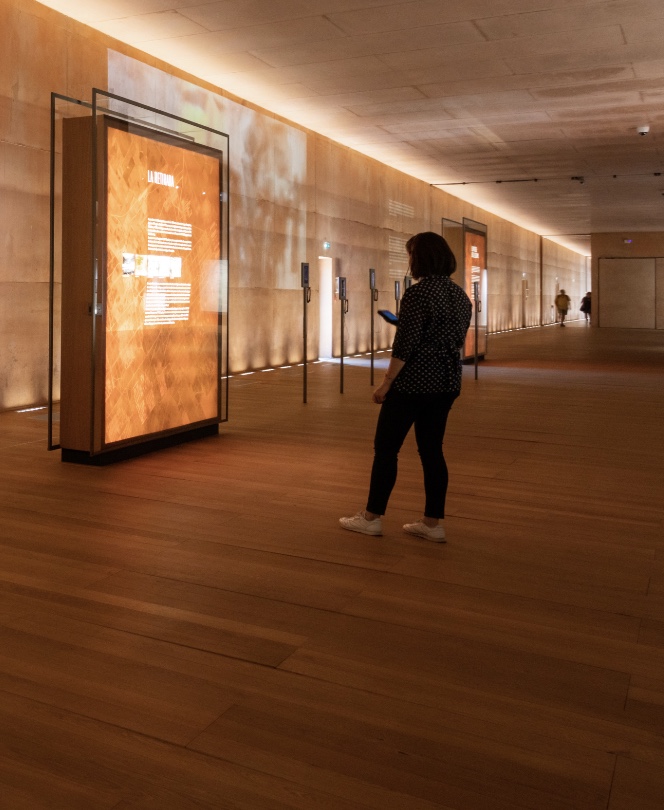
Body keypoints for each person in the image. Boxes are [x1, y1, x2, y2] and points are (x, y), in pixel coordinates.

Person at [339, 232, 472, 543]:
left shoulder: (417, 294)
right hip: (447, 379)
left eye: (411, 254)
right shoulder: (459, 295)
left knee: (386, 449)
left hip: (414, 381)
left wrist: (386, 384)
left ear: (420, 258)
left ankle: (371, 517)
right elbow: (444, 334)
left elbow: (406, 346)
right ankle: (432, 523)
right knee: (432, 451)